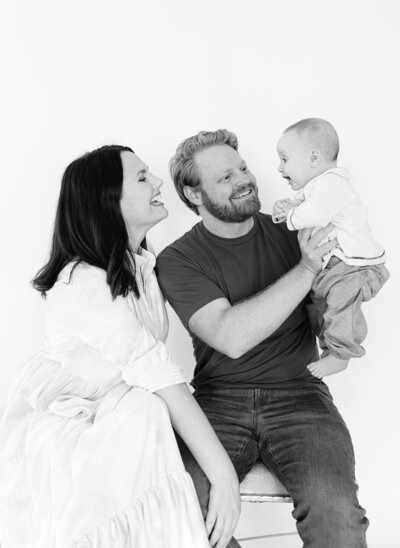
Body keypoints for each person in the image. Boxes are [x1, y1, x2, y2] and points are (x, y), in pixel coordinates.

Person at [0, 145, 240, 548]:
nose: (159, 182)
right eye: (143, 178)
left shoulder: (141, 267)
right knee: (149, 410)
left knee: (148, 411)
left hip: (122, 412)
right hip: (71, 420)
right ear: (106, 200)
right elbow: (158, 372)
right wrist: (224, 478)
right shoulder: (82, 283)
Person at [156, 129, 376, 548]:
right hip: (218, 402)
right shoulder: (178, 259)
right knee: (180, 512)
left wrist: (343, 286)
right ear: (194, 194)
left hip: (301, 396)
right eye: (225, 177)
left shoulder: (294, 233)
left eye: (242, 168)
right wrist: (307, 270)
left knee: (338, 518)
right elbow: (230, 336)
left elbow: (321, 317)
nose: (244, 179)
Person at [272, 117, 389, 378]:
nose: (279, 168)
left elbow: (312, 213)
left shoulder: (332, 183)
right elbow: (302, 205)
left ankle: (342, 354)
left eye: (284, 159)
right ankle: (329, 346)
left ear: (313, 158)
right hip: (333, 267)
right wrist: (287, 208)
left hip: (354, 266)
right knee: (319, 306)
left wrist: (291, 216)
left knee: (341, 305)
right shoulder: (315, 186)